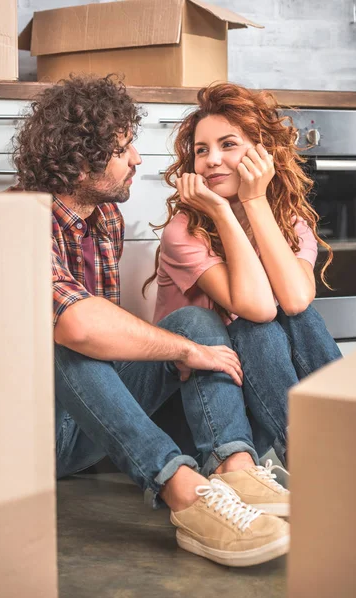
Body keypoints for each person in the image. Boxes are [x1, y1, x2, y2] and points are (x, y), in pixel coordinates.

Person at [11, 75, 290, 568]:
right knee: (67, 338)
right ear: (80, 163)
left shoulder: (105, 219)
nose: (138, 158)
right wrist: (181, 353)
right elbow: (79, 327)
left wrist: (183, 344)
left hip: (89, 425)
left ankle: (234, 467)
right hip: (28, 444)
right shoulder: (17, 223)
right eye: (123, 149)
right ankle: (185, 495)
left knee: (192, 323)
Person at [144, 82, 342, 466]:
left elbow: (297, 301)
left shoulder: (290, 222)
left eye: (228, 144)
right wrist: (222, 211)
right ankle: (320, 464)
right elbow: (257, 309)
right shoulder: (183, 232)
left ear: (263, 155)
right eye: (202, 151)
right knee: (257, 325)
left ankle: (351, 438)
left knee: (297, 314)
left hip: (259, 405)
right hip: (197, 412)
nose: (212, 159)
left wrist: (255, 203)